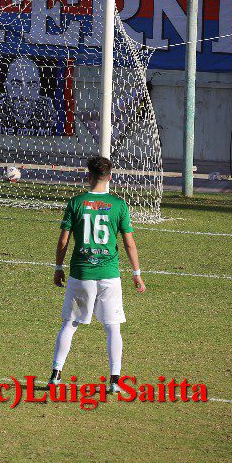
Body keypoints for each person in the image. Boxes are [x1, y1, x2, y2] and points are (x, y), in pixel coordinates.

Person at [49, 155, 146, 395]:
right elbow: (130, 243)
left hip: (81, 273)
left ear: (89, 176)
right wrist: (136, 273)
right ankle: (114, 380)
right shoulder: (119, 205)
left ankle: (55, 374)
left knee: (70, 324)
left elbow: (63, 240)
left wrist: (59, 268)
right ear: (109, 177)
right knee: (113, 328)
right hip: (109, 275)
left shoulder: (76, 202)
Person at [0, 56, 59, 135]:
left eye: (32, 86)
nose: (24, 95)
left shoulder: (48, 110)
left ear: (39, 88)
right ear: (5, 86)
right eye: (16, 85)